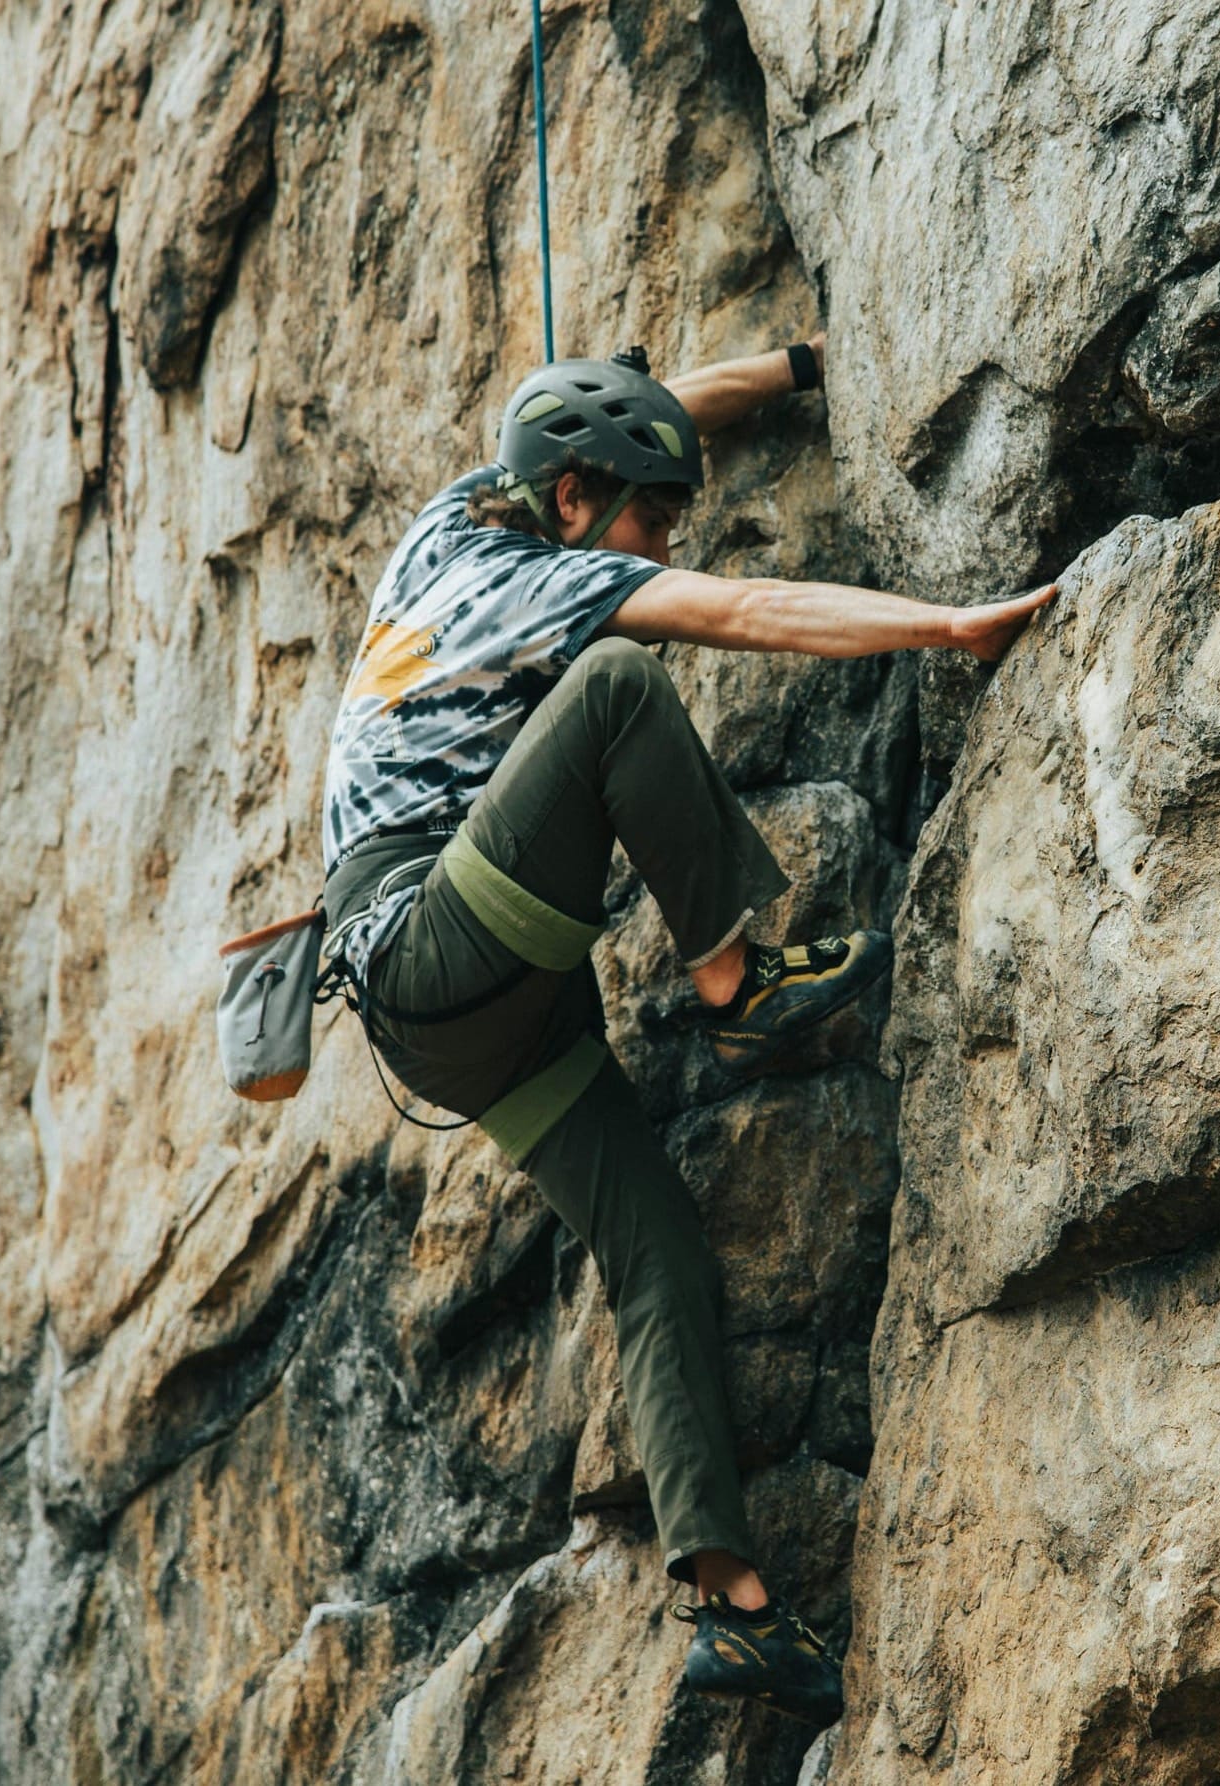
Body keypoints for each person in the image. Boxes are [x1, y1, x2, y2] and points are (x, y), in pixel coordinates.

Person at [317, 337, 1050, 1723]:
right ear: (582, 497)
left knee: (654, 1244)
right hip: (438, 935)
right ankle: (739, 991)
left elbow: (656, 421)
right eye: (653, 518)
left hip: (449, 1022)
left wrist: (787, 368)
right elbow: (750, 608)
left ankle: (736, 1608)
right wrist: (944, 626)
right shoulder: (546, 579)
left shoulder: (462, 516)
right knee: (620, 683)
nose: (667, 541)